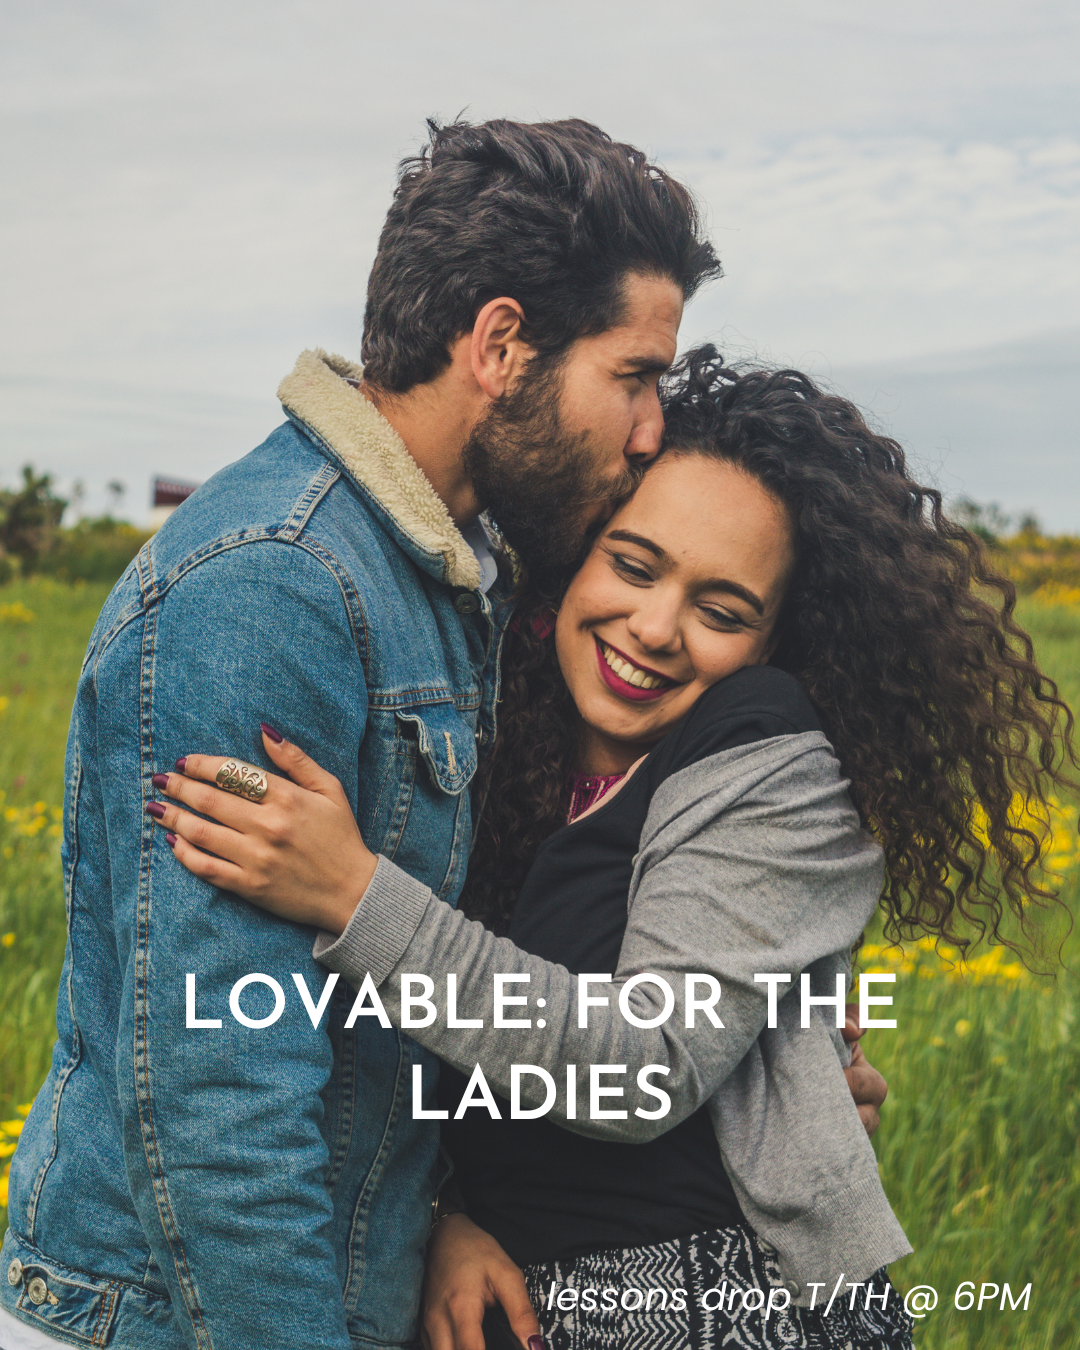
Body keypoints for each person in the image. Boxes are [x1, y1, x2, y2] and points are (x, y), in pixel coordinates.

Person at [145, 348, 1075, 1348]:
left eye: (722, 611)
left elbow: (644, 1064)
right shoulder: (482, 750)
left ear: (771, 642)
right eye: (633, 565)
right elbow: (417, 1060)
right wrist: (440, 1219)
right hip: (507, 1301)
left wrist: (353, 896)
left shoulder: (771, 755)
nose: (656, 627)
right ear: (572, 557)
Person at [0, 117, 736, 1350]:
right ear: (501, 344)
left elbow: (381, 1013)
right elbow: (217, 1097)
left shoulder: (454, 570)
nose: (652, 425)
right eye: (634, 375)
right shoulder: (273, 589)